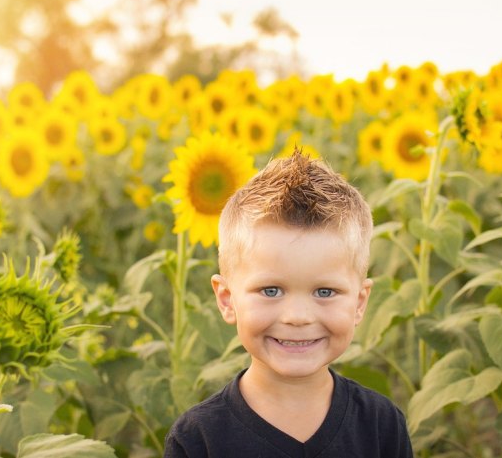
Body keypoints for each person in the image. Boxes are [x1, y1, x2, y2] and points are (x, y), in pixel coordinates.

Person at [164, 149, 413, 457]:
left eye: (324, 292)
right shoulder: (199, 439)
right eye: (271, 290)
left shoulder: (381, 425)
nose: (297, 317)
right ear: (227, 299)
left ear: (360, 303)